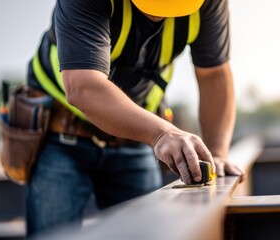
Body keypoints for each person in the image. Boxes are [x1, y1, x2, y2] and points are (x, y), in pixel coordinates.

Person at [24, 0, 245, 236]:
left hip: (134, 137)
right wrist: (161, 133)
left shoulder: (208, 3)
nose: (162, 14)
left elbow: (214, 75)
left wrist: (219, 152)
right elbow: (83, 86)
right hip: (61, 136)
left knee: (145, 233)